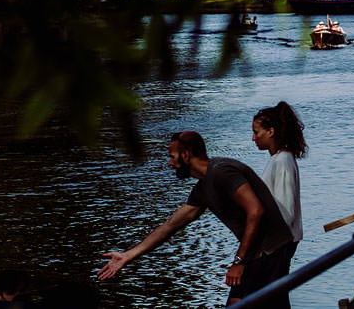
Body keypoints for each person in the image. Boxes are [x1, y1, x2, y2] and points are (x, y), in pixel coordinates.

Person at [98, 130, 295, 309]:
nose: (170, 163)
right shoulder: (202, 189)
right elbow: (171, 225)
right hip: (255, 253)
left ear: (186, 154)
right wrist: (128, 256)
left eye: (172, 157)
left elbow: (256, 210)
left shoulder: (222, 172)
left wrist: (239, 261)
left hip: (271, 250)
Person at [250, 102, 307, 261]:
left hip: (280, 243)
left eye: (256, 133)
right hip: (276, 242)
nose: (253, 138)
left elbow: (286, 210)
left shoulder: (282, 160)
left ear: (270, 132)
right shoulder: (277, 159)